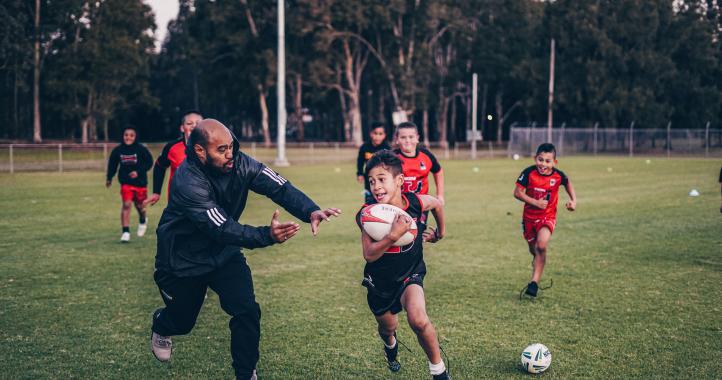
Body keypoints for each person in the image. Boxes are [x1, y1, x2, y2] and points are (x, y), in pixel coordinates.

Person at [149, 119, 340, 380]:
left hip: (223, 253)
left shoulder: (241, 162)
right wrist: (267, 236)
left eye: (232, 146)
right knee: (183, 321)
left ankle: (245, 373)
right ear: (200, 151)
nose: (230, 155)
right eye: (221, 150)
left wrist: (310, 210)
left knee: (247, 309)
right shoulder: (187, 181)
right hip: (183, 258)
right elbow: (221, 227)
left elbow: (279, 186)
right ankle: (162, 323)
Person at [356, 150, 449, 380]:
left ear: (399, 181)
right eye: (371, 181)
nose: (376, 187)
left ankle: (439, 371)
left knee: (418, 319)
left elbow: (436, 203)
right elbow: (369, 254)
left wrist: (441, 233)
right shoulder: (367, 214)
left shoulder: (415, 202)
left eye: (381, 179)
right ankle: (390, 346)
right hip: (381, 283)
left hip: (411, 274)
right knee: (388, 328)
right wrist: (392, 236)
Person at [513, 143, 576, 297]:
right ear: (535, 158)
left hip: (547, 216)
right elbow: (517, 193)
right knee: (533, 250)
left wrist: (573, 201)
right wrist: (535, 202)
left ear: (554, 162)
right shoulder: (528, 173)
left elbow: (567, 183)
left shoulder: (558, 175)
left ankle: (534, 283)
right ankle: (537, 260)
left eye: (548, 161)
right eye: (540, 160)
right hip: (529, 218)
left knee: (541, 245)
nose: (543, 164)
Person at [144, 110, 203, 207]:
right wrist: (156, 192)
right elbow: (159, 166)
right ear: (182, 128)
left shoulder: (211, 148)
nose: (194, 126)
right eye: (189, 123)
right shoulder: (172, 148)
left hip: (204, 204)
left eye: (198, 123)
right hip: (177, 204)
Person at [105, 126, 154, 242]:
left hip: (140, 183)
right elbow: (112, 164)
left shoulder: (141, 149)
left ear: (135, 137)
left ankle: (142, 220)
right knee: (126, 204)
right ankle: (125, 232)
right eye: (126, 135)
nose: (128, 137)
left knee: (140, 206)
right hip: (126, 182)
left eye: (131, 135)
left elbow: (149, 162)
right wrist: (109, 178)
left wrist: (138, 172)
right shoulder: (118, 150)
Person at [356, 122, 391, 203]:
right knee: (369, 199)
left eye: (380, 134)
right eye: (375, 133)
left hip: (383, 179)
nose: (377, 136)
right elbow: (360, 161)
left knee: (382, 199)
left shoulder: (387, 148)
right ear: (371, 134)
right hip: (369, 179)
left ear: (384, 135)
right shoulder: (365, 147)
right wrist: (359, 173)